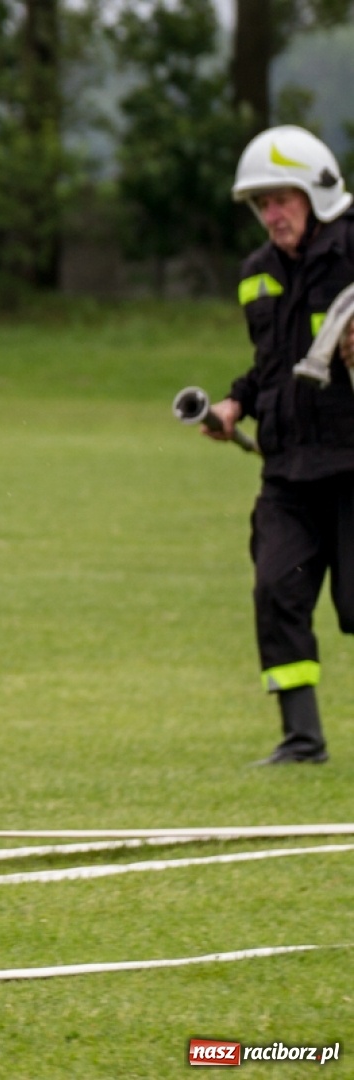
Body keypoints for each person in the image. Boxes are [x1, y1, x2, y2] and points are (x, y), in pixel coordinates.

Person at [205, 124, 354, 765]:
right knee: (276, 591)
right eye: (261, 204)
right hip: (288, 472)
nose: (271, 215)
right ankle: (302, 739)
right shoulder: (256, 276)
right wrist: (233, 403)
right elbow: (271, 364)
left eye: (281, 199)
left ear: (316, 192)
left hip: (352, 466)